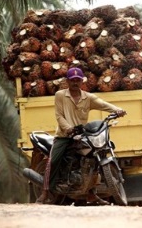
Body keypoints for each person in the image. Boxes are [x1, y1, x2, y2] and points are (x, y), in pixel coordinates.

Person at [36, 67, 126, 204]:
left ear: (82, 81)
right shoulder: (60, 95)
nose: (75, 83)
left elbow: (103, 104)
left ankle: (91, 193)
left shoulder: (88, 98)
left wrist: (118, 110)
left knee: (91, 158)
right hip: (64, 136)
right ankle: (45, 192)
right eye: (72, 80)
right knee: (53, 161)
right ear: (67, 81)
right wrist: (68, 129)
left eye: (78, 80)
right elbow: (59, 116)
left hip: (81, 135)